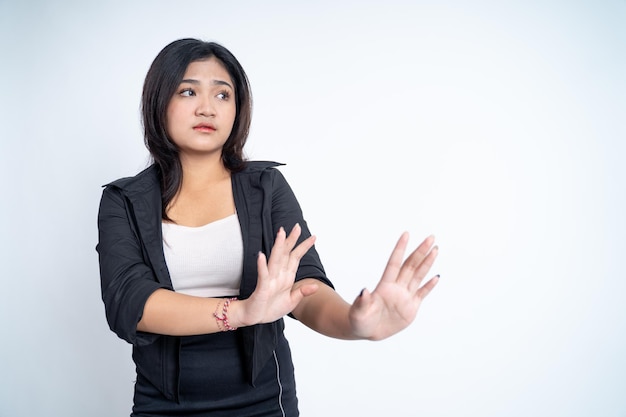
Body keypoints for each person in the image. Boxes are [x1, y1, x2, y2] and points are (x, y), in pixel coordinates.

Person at [97, 38, 439, 417]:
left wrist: (355, 324)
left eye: (223, 95)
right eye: (188, 91)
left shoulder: (266, 186)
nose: (207, 108)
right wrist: (241, 312)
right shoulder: (124, 200)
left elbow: (304, 287)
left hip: (262, 401)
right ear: (159, 101)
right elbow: (130, 303)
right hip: (162, 404)